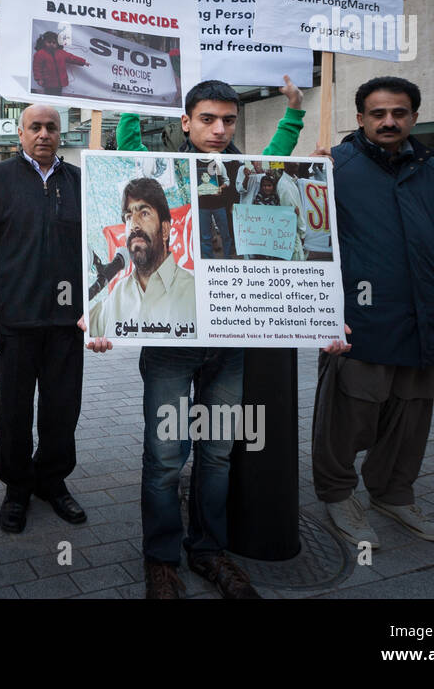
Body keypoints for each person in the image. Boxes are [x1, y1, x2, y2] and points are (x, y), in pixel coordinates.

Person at [104, 75, 306, 598]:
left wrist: (294, 114)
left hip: (229, 346)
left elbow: (280, 155)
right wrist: (129, 104)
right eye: (208, 119)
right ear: (186, 121)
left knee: (217, 455)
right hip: (172, 346)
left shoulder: (245, 173)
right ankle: (161, 560)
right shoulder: (163, 173)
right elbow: (127, 152)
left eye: (229, 120)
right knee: (166, 456)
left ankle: (209, 551)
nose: (219, 130)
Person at [313, 76, 434, 550]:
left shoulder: (429, 167)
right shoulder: (335, 165)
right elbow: (308, 239)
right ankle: (338, 495)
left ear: (414, 116)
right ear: (360, 119)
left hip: (422, 316)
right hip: (362, 318)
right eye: (378, 114)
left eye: (399, 112)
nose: (389, 121)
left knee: (411, 414)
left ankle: (394, 493)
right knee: (349, 413)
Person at [0, 103, 87, 534]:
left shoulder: (78, 181)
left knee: (62, 409)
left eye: (51, 128)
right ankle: (17, 487)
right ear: (19, 133)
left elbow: (96, 247)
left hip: (66, 321)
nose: (43, 134)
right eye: (35, 127)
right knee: (14, 411)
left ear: (62, 134)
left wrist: (95, 308)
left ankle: (52, 481)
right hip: (16, 319)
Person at [87, 177, 195, 339]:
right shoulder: (117, 296)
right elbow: (77, 328)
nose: (134, 225)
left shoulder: (194, 293)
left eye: (144, 213)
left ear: (165, 230)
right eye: (129, 217)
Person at [31, 31, 88, 97]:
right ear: (44, 42)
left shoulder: (61, 53)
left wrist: (83, 62)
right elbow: (36, 67)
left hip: (60, 82)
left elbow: (72, 58)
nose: (51, 44)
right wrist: (39, 79)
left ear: (58, 44)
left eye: (54, 43)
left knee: (58, 95)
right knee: (48, 96)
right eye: (49, 42)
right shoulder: (40, 54)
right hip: (47, 82)